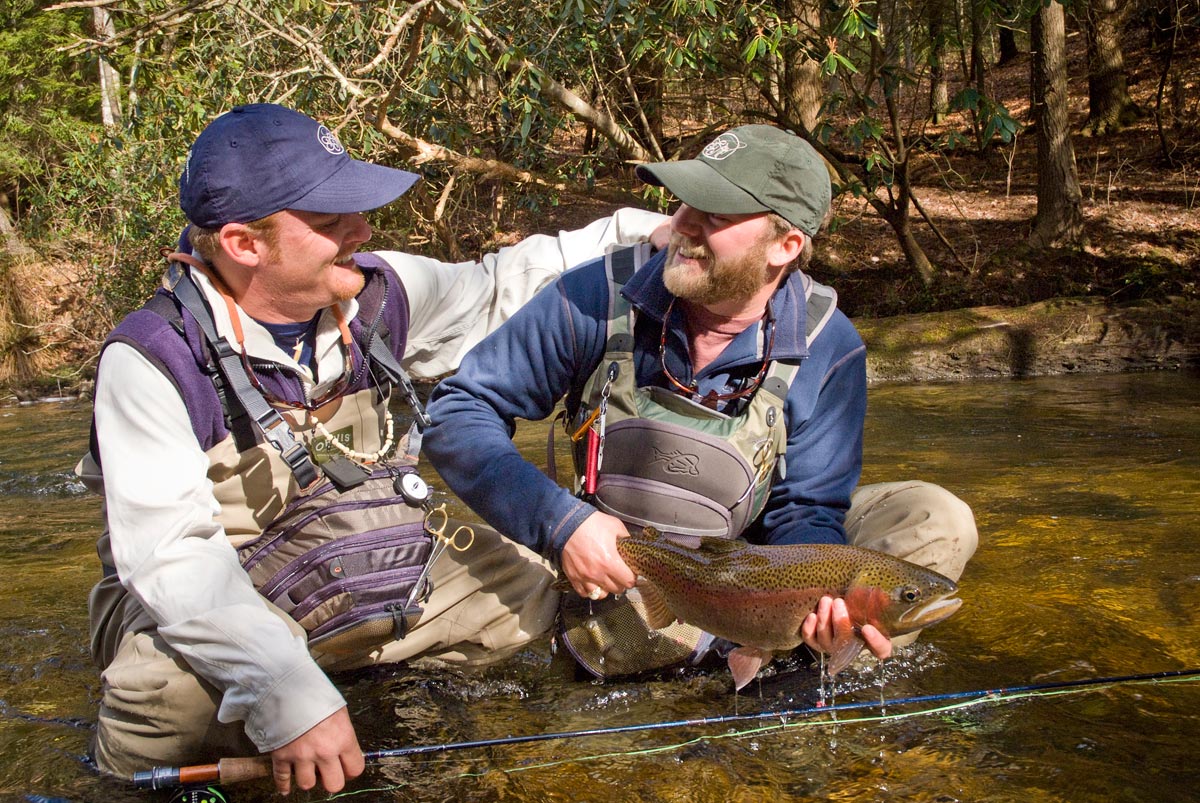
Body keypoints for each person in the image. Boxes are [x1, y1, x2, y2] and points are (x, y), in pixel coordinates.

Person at [75, 103, 668, 794]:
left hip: (353, 555)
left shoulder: (377, 294)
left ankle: (386, 701)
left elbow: (499, 286)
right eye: (330, 222)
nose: (362, 229)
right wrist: (290, 692)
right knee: (163, 701)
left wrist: (643, 235)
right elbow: (175, 560)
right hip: (214, 588)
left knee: (529, 591)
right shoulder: (151, 358)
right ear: (243, 243)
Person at [423, 125, 978, 681]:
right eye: (686, 201)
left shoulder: (830, 347)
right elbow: (457, 410)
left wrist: (818, 604)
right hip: (613, 554)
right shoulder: (595, 297)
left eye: (715, 215)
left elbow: (806, 509)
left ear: (785, 247)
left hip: (748, 566)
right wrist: (561, 524)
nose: (683, 224)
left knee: (937, 518)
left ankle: (786, 666)